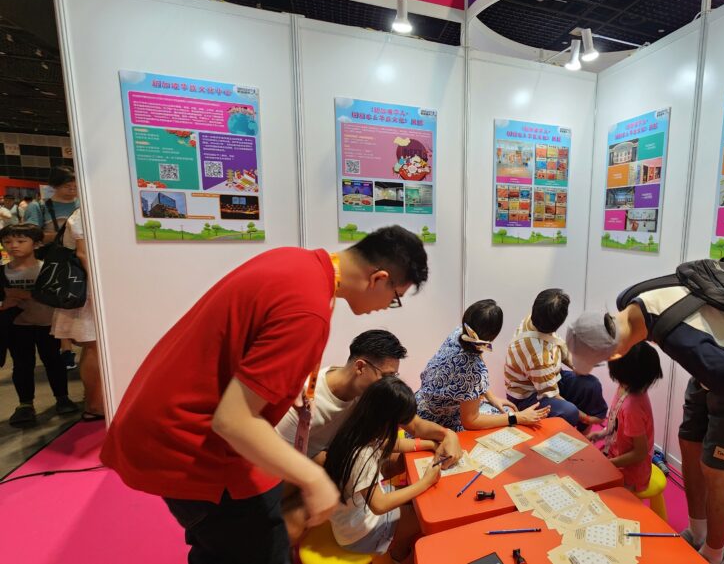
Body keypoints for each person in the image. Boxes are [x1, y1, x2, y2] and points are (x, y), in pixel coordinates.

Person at [100, 225, 429, 564]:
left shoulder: (297, 264)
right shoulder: (309, 310)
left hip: (167, 422)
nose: (388, 306)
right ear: (378, 279)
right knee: (258, 546)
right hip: (189, 441)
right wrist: (313, 478)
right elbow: (233, 420)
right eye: (395, 298)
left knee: (232, 542)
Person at [565, 272, 724, 564]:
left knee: (716, 469)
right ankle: (696, 532)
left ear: (615, 357)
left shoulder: (683, 342)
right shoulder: (627, 303)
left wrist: (722, 375)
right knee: (689, 443)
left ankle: (714, 554)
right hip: (716, 359)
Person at [284, 376, 438, 563]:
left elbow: (392, 443)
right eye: (398, 424)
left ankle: (397, 550)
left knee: (416, 501)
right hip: (361, 534)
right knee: (424, 518)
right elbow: (379, 505)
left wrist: (428, 444)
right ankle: (398, 554)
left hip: (351, 519)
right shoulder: (362, 454)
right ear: (387, 423)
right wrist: (426, 482)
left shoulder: (356, 429)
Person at [275, 329, 461, 467]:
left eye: (393, 376)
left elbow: (415, 425)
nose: (389, 383)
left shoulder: (369, 391)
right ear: (360, 367)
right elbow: (282, 461)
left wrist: (448, 435)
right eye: (386, 375)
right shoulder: (305, 401)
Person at [416, 299, 549, 432]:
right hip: (435, 421)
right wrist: (517, 418)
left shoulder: (459, 333)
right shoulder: (475, 370)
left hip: (420, 404)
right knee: (509, 415)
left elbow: (475, 360)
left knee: (506, 410)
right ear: (493, 336)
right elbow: (470, 421)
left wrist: (491, 397)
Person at [1, 223, 78, 426]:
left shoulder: (47, 269)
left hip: (47, 324)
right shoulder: (3, 272)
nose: (13, 245)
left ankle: (62, 397)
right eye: (7, 241)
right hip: (17, 327)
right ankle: (25, 404)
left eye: (21, 241)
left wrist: (26, 295)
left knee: (54, 361)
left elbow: (60, 296)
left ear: (36, 244)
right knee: (22, 365)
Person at [504, 289, 606, 430]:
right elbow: (552, 394)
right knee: (570, 412)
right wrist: (587, 418)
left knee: (591, 385)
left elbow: (558, 345)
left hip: (549, 376)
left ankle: (583, 434)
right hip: (528, 396)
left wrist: (577, 367)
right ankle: (566, 437)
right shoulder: (539, 356)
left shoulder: (536, 319)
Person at [49, 207, 103, 421]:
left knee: (96, 347)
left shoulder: (91, 209)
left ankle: (96, 400)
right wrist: (100, 286)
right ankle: (95, 405)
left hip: (91, 286)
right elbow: (83, 253)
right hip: (89, 288)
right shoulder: (84, 211)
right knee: (94, 346)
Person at [587, 342, 662, 492]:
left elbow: (640, 453)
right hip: (614, 455)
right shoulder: (624, 387)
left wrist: (610, 464)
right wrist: (601, 434)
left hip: (631, 473)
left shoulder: (632, 407)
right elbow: (616, 423)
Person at [24, 166, 78, 245]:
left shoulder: (85, 205)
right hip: (53, 251)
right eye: (67, 186)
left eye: (76, 186)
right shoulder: (38, 206)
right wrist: (64, 236)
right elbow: (30, 236)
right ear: (54, 185)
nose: (72, 189)